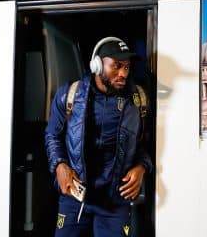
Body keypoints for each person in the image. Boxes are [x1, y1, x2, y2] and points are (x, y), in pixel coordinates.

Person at [45, 37, 152, 237]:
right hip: (74, 198)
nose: (123, 74)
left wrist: (141, 167)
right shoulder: (69, 94)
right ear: (97, 65)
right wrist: (60, 165)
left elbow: (144, 144)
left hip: (115, 201)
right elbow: (53, 135)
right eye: (116, 66)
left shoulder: (138, 101)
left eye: (127, 67)